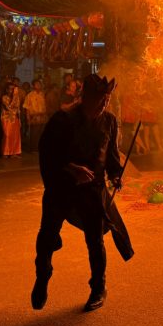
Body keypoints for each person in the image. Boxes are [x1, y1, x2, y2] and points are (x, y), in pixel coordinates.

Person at [32, 74, 131, 312]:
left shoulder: (109, 121)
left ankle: (98, 287)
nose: (103, 105)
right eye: (99, 99)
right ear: (84, 97)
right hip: (62, 187)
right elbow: (47, 153)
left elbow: (112, 157)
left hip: (92, 190)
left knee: (95, 241)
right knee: (47, 237)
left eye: (106, 99)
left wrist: (116, 175)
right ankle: (43, 276)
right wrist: (69, 167)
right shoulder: (62, 119)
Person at [23, 79, 48, 153]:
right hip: (34, 117)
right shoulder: (30, 95)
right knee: (34, 133)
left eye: (39, 84)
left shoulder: (42, 94)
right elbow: (26, 107)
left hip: (42, 117)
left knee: (41, 133)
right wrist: (28, 118)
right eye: (36, 84)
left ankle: (40, 147)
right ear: (33, 86)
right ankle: (33, 148)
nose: (38, 85)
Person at [1, 81, 23, 158]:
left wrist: (19, 119)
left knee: (15, 135)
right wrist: (15, 96)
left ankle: (14, 152)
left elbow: (18, 109)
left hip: (15, 118)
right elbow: (9, 107)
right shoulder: (4, 97)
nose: (12, 90)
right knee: (7, 135)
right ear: (7, 90)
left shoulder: (16, 97)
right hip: (6, 118)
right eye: (10, 89)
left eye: (13, 89)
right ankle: (6, 152)